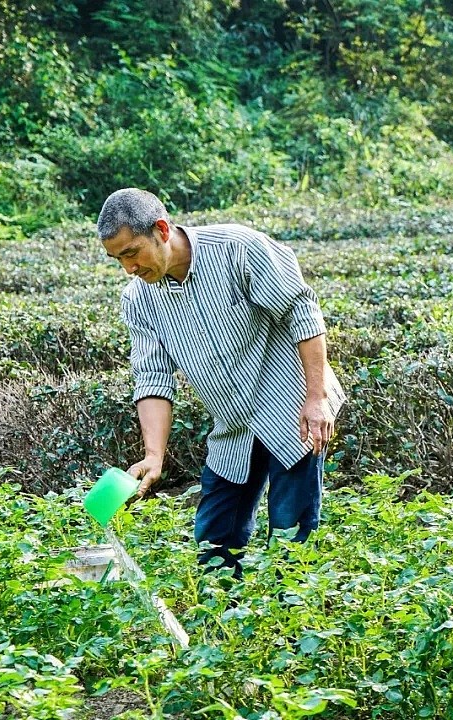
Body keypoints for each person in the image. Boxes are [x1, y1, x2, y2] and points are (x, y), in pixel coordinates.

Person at [97, 188, 346, 576]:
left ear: (162, 230)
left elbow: (302, 311)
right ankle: (225, 630)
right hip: (232, 428)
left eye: (131, 253)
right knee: (214, 542)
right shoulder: (138, 299)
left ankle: (290, 630)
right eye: (118, 260)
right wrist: (153, 455)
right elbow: (152, 377)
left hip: (291, 412)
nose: (128, 268)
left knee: (290, 539)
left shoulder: (237, 248)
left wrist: (317, 399)